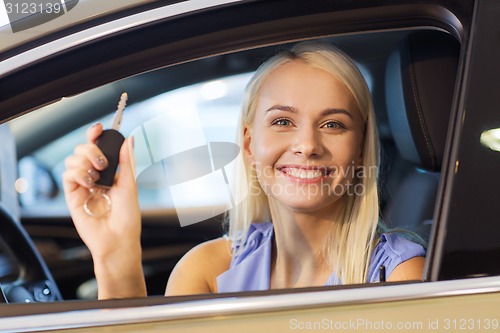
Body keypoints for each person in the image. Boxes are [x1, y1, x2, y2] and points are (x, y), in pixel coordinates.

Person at [63, 42, 425, 299]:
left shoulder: (396, 276)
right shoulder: (208, 271)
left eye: (332, 125)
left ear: (360, 150)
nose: (308, 145)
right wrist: (115, 256)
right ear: (250, 145)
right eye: (283, 121)